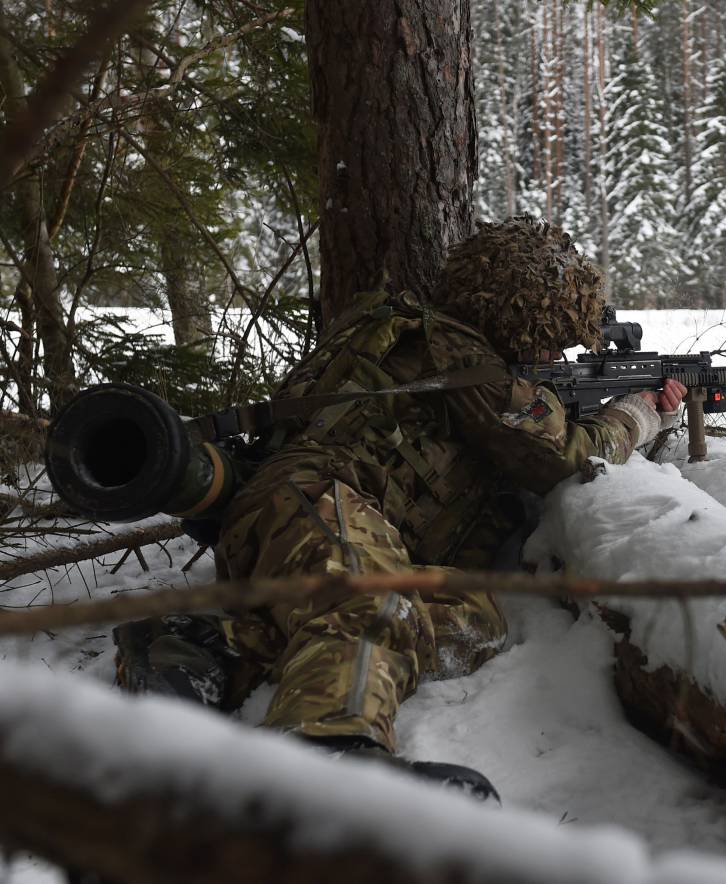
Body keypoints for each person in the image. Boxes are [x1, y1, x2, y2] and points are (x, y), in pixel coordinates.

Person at [114, 217, 686, 799]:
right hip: (320, 500)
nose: (552, 352)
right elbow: (566, 457)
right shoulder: (466, 360)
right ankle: (328, 758)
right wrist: (637, 415)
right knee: (372, 608)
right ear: (524, 316)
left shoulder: (400, 327)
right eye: (550, 336)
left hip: (293, 519)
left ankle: (208, 648)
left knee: (474, 616)